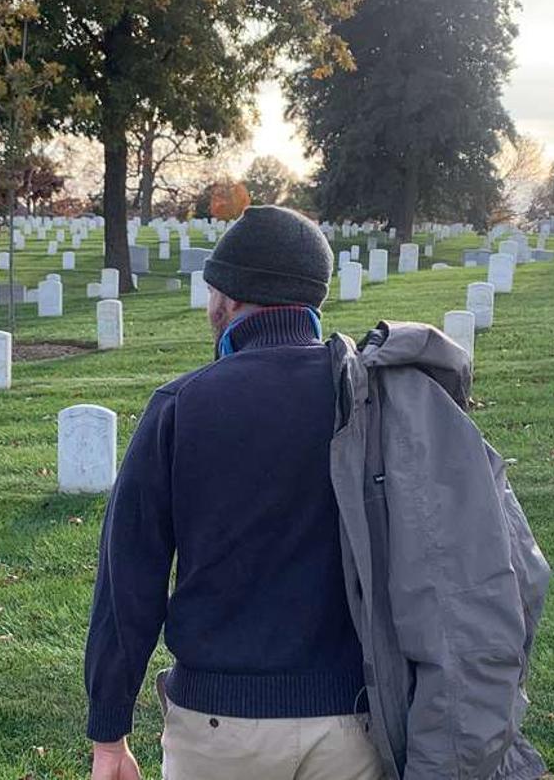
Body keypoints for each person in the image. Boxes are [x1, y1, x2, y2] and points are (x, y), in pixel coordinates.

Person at [85, 205, 379, 780]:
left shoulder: (182, 405)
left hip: (219, 729)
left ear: (229, 298)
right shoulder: (372, 400)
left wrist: (109, 733)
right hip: (352, 722)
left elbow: (129, 581)